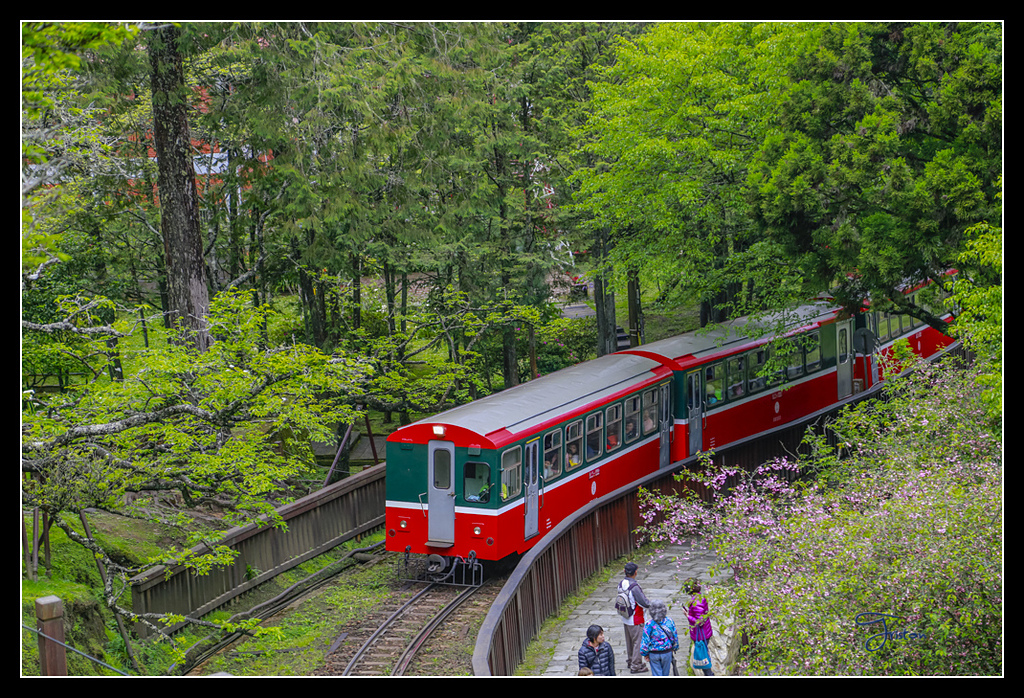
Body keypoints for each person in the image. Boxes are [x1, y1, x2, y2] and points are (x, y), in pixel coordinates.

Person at [619, 562, 650, 674]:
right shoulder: (634, 587)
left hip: (625, 616)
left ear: (625, 571)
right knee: (638, 642)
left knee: (629, 641)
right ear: (636, 572)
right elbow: (643, 602)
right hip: (636, 618)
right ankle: (636, 665)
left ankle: (631, 660)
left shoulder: (621, 583)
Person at [640, 599, 679, 676]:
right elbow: (675, 637)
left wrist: (644, 653)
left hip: (654, 653)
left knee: (657, 674)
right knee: (665, 673)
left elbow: (645, 640)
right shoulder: (669, 621)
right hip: (667, 652)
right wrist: (675, 648)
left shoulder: (649, 624)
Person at [685, 578, 715, 676]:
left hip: (701, 635)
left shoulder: (696, 601)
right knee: (705, 658)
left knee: (703, 661)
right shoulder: (700, 598)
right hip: (705, 633)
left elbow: (700, 621)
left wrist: (687, 615)